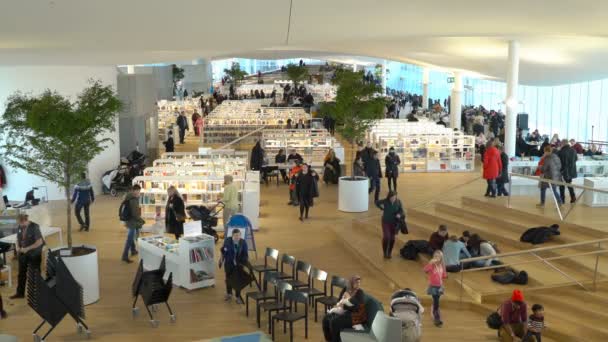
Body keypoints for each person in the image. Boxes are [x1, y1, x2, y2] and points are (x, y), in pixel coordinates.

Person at [322, 275, 366, 342]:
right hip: (344, 311)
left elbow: (356, 308)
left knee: (334, 322)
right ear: (351, 283)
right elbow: (339, 300)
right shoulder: (346, 289)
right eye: (356, 283)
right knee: (325, 318)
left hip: (356, 315)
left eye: (359, 283)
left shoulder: (360, 293)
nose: (358, 284)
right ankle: (329, 340)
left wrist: (344, 306)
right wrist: (341, 305)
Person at [10, 214, 44, 299]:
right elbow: (18, 239)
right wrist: (17, 246)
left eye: (20, 223)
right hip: (23, 253)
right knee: (21, 274)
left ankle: (37, 294)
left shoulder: (34, 227)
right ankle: (20, 293)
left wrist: (27, 248)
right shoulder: (20, 227)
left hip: (34, 254)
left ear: (24, 221)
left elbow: (39, 242)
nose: (19, 225)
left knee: (35, 274)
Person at [219, 229, 248, 304]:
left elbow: (245, 254)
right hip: (229, 264)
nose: (237, 237)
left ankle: (238, 296)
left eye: (238, 235)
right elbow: (223, 251)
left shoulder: (243, 242)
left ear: (240, 235)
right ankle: (229, 293)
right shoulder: (227, 241)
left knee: (237, 281)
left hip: (238, 265)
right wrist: (221, 260)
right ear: (232, 236)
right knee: (228, 279)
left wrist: (242, 263)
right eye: (235, 235)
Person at [375, 191, 404, 259]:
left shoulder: (398, 202)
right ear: (389, 197)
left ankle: (389, 252)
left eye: (394, 197)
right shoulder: (385, 201)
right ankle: (385, 252)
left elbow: (401, 211)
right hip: (386, 222)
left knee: (392, 239)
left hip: (394, 223)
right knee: (386, 237)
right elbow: (376, 202)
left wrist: (399, 214)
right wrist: (381, 208)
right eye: (391, 197)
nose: (393, 199)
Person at [121, 185, 145, 263]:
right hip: (132, 221)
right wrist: (142, 221)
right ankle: (125, 256)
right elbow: (135, 214)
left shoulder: (128, 196)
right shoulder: (133, 199)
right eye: (138, 191)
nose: (139, 193)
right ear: (135, 190)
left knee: (131, 236)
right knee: (130, 238)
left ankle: (133, 250)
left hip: (128, 219)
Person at [423, 250, 447, 327]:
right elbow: (425, 270)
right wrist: (430, 263)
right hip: (433, 286)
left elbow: (444, 275)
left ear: (441, 258)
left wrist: (444, 275)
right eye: (435, 256)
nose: (436, 258)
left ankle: (434, 313)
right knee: (436, 302)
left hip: (440, 287)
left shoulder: (442, 266)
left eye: (438, 256)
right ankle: (437, 319)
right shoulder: (432, 265)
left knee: (436, 302)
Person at [557, 139, 577, 204]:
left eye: (561, 144)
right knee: (569, 184)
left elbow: (559, 163)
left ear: (562, 144)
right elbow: (576, 159)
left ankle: (562, 200)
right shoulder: (573, 150)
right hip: (571, 171)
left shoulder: (561, 152)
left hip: (563, 171)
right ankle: (573, 197)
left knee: (561, 186)